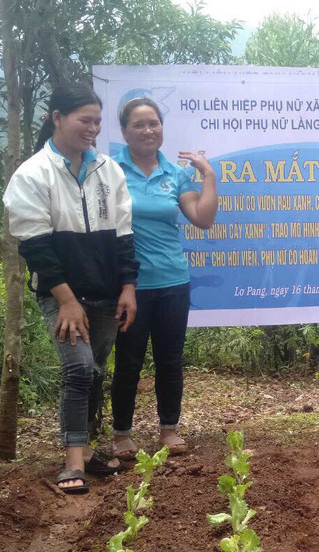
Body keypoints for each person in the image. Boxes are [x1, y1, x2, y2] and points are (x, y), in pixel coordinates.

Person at [4, 84, 138, 494]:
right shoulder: (33, 173)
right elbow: (36, 245)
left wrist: (128, 288)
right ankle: (73, 461)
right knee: (78, 367)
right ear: (56, 117)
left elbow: (124, 236)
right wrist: (65, 300)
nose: (93, 129)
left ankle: (90, 450)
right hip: (62, 296)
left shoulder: (108, 171)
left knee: (95, 372)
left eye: (98, 121)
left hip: (106, 293)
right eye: (85, 120)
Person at [110, 98, 218, 459]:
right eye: (139, 125)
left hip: (173, 281)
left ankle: (168, 429)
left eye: (153, 123)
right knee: (128, 362)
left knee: (170, 360)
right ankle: (122, 434)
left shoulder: (175, 173)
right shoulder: (111, 170)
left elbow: (202, 218)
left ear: (162, 128)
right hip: (129, 286)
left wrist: (208, 175)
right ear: (124, 131)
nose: (147, 130)